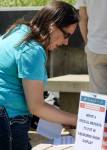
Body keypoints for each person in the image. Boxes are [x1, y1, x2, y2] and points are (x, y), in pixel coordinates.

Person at [0, 1, 79, 150]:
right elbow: (36, 106)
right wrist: (77, 120)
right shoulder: (33, 51)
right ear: (52, 26)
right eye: (66, 35)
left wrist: (60, 116)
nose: (66, 42)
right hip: (9, 122)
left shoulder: (20, 30)